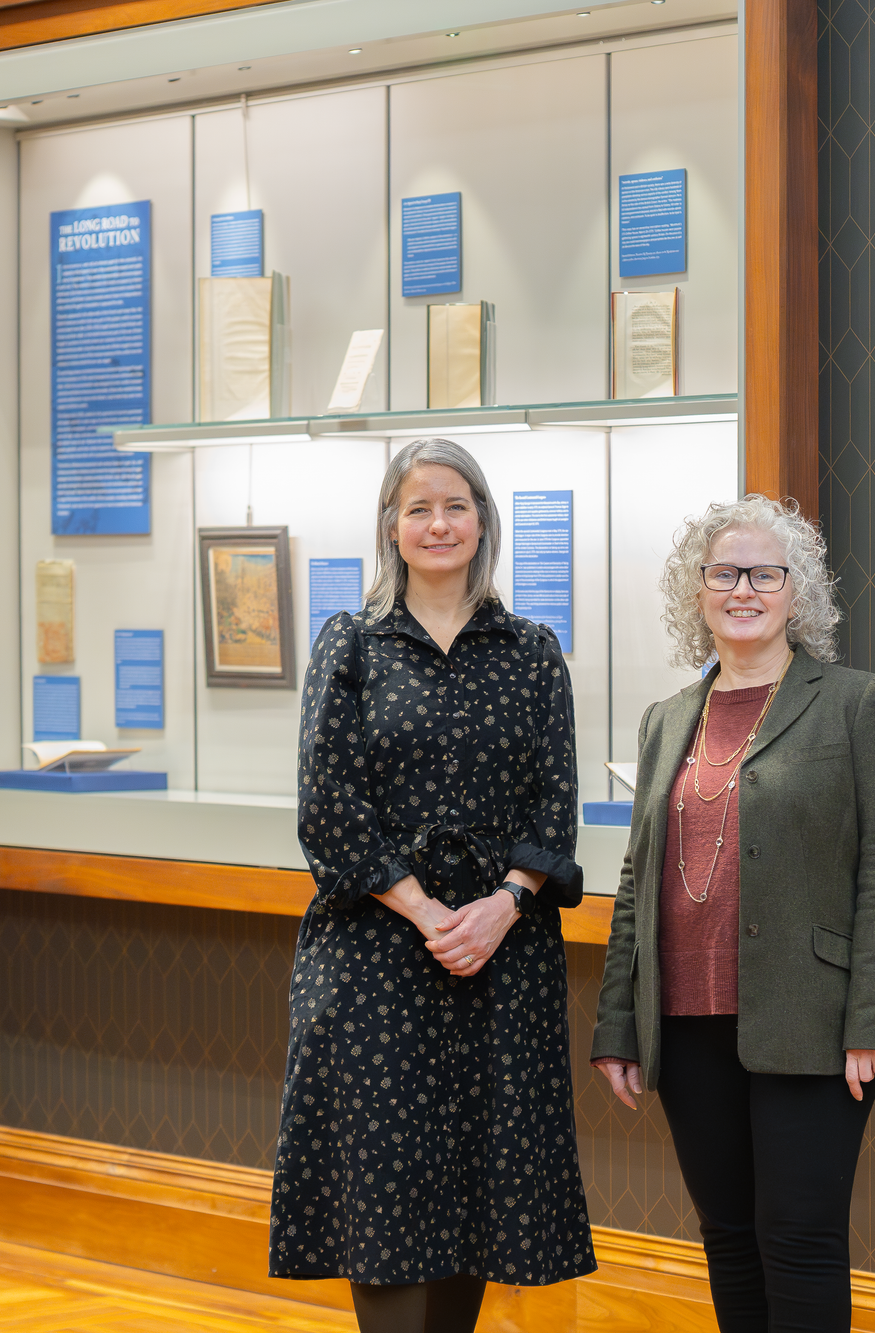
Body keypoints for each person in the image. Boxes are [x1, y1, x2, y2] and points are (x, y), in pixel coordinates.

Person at [271, 439, 595, 1333]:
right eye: (419, 508)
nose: (438, 523)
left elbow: (555, 806)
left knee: (481, 1193)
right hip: (376, 952)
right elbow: (325, 804)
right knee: (382, 1191)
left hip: (502, 958)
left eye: (455, 506)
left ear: (483, 521)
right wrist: (425, 911)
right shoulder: (351, 645)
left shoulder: (532, 652)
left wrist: (501, 907)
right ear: (391, 527)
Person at [590, 495, 875, 1333]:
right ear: (696, 593)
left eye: (765, 573)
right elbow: (637, 880)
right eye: (724, 573)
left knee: (799, 1238)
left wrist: (872, 1017)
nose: (744, 589)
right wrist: (618, 1025)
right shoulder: (667, 720)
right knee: (729, 1238)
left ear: (795, 592)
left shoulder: (856, 702)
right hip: (688, 1019)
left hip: (809, 1019)